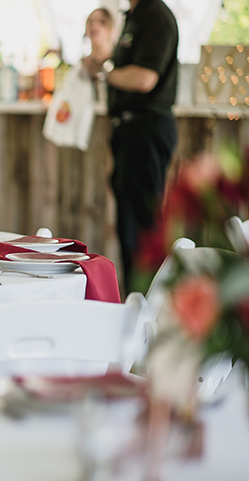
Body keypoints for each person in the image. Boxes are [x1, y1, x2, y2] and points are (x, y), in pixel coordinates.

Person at [85, 0, 179, 294]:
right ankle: (136, 301)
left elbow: (144, 78)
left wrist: (105, 69)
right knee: (129, 228)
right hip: (128, 131)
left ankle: (146, 307)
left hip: (146, 129)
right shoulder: (134, 17)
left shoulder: (157, 17)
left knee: (142, 230)